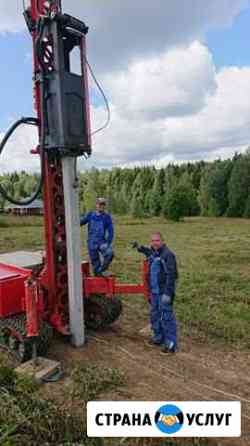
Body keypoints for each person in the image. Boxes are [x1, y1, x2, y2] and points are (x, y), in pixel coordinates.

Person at [132, 232, 178, 353]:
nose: (154, 243)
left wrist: (168, 294)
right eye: (152, 241)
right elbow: (147, 251)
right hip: (154, 293)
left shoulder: (168, 255)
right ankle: (158, 338)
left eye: (157, 240)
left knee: (166, 318)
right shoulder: (154, 252)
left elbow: (172, 276)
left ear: (162, 241)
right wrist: (139, 247)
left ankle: (171, 345)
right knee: (155, 316)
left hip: (163, 293)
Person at [80, 198, 114, 276]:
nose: (101, 206)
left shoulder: (107, 217)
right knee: (95, 264)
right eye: (99, 204)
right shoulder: (90, 215)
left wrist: (108, 243)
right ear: (96, 205)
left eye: (103, 204)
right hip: (91, 243)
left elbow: (111, 231)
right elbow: (80, 222)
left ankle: (102, 270)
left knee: (109, 253)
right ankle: (98, 276)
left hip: (102, 242)